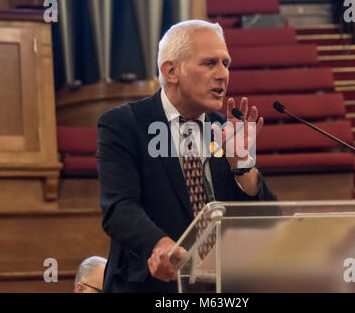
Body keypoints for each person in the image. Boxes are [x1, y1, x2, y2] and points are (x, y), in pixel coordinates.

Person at [97, 20, 277, 293]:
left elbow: (268, 220)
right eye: (209, 63)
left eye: (226, 63)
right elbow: (119, 208)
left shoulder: (226, 129)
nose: (222, 74)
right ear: (171, 71)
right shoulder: (124, 124)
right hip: (153, 286)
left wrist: (243, 165)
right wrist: (161, 245)